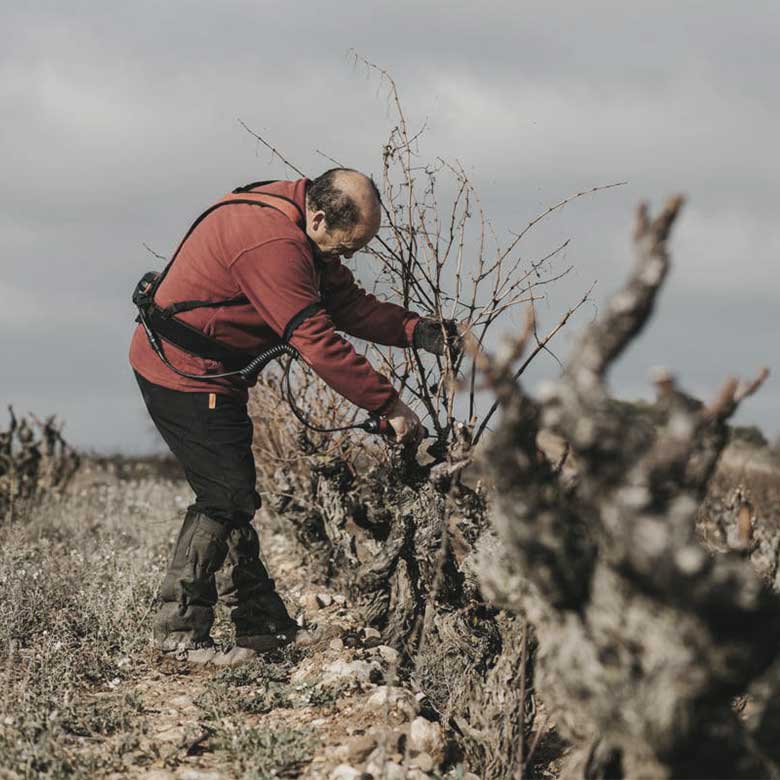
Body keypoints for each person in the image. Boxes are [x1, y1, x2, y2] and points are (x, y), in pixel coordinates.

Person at [129, 168, 455, 664]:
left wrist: (420, 331)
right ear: (319, 216)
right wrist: (387, 405)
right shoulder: (273, 244)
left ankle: (261, 627)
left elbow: (348, 306)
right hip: (182, 371)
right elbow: (318, 341)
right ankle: (177, 634)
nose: (347, 258)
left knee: (235, 493)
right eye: (345, 248)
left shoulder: (304, 223)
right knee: (224, 494)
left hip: (217, 372)